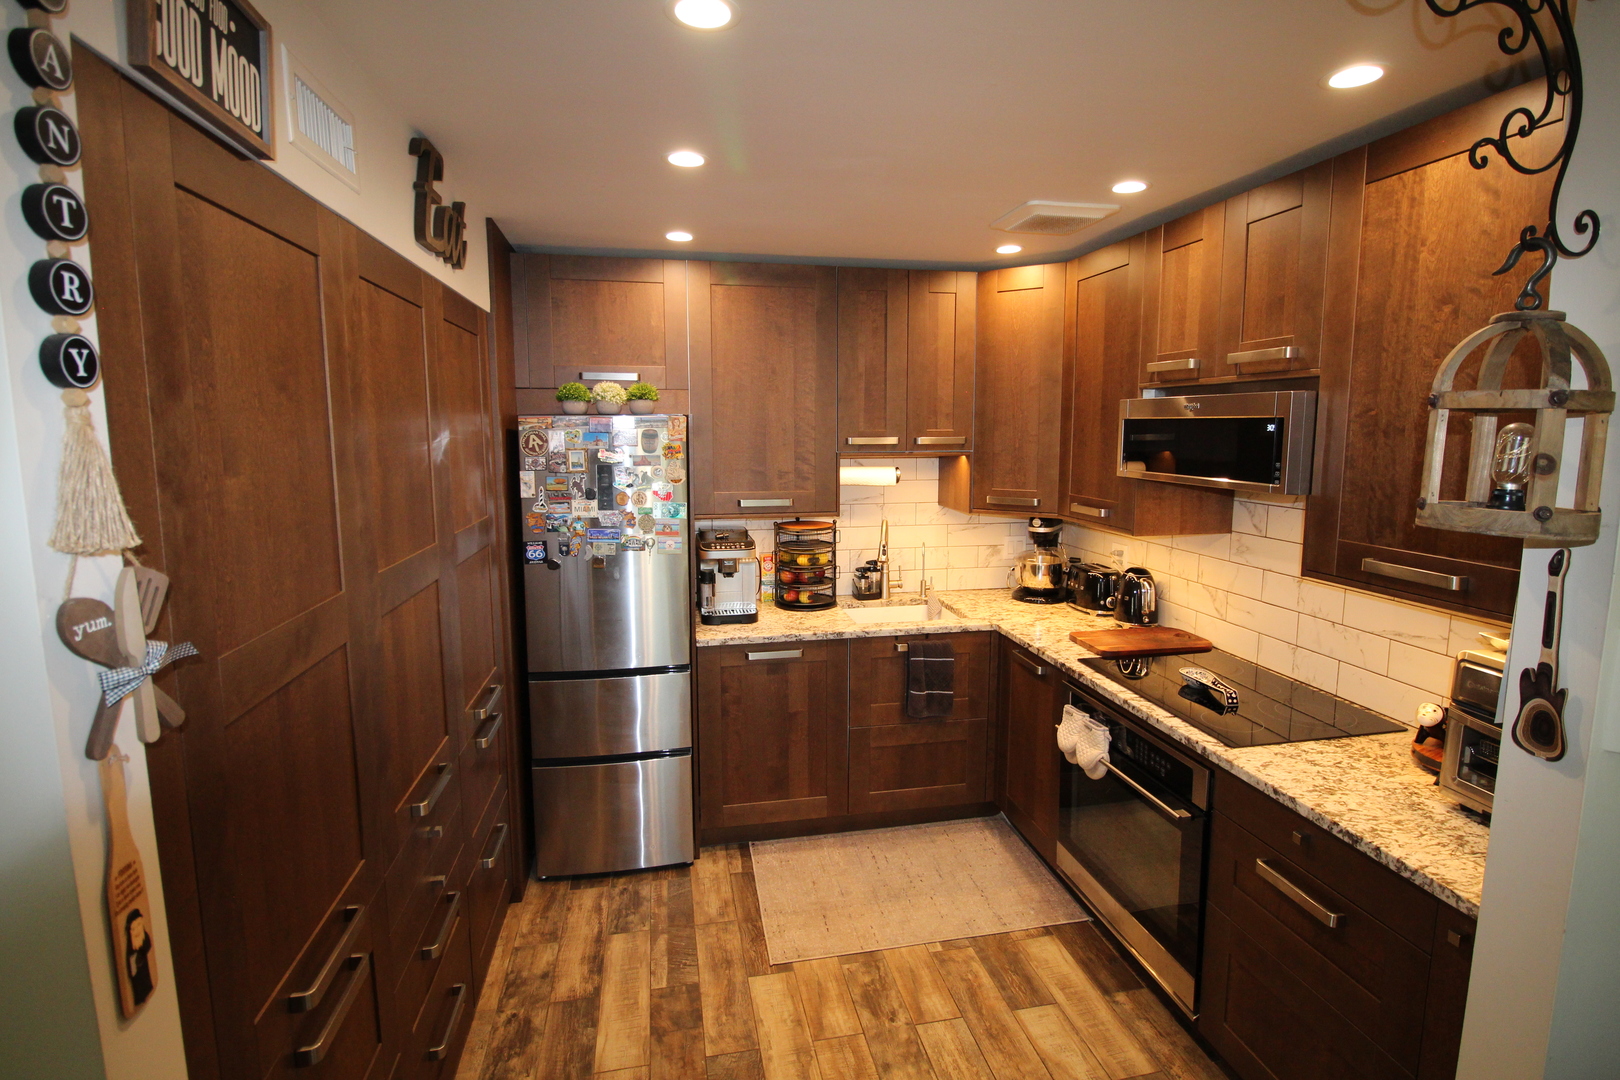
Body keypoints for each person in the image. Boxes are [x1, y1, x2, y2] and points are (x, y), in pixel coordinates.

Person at [125, 909, 154, 1006]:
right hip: (137, 970)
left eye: (138, 925)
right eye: (134, 927)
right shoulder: (132, 945)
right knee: (138, 984)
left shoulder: (143, 936)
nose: (137, 929)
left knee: (145, 980)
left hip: (142, 966)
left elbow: (148, 945)